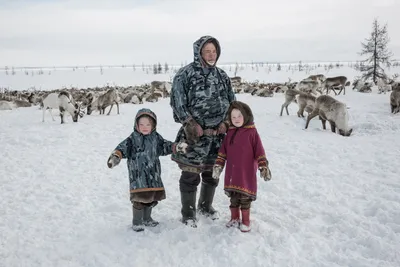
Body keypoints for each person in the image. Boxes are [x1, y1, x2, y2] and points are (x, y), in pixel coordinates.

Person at [170, 35, 236, 227]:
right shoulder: (185, 75)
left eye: (214, 51)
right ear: (199, 52)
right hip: (194, 136)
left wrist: (226, 122)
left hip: (217, 136)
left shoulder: (222, 76)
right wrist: (190, 123)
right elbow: (177, 103)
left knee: (212, 172)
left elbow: (232, 102)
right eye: (207, 51)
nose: (211, 54)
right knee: (190, 175)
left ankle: (205, 206)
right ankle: (188, 214)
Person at [107, 108, 188, 232]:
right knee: (139, 200)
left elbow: (165, 146)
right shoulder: (132, 139)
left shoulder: (156, 138)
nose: (145, 127)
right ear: (136, 125)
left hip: (153, 175)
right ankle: (137, 221)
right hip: (137, 176)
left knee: (151, 199)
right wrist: (115, 157)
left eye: (148, 124)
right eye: (141, 124)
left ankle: (147, 218)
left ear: (153, 125)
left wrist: (176, 147)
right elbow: (121, 149)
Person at [212, 101, 272, 232]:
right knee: (234, 198)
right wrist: (218, 165)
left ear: (246, 115)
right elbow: (223, 151)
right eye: (233, 117)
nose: (236, 119)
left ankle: (245, 221)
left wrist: (263, 166)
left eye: (239, 116)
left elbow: (259, 151)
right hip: (232, 172)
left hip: (246, 172)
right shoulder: (230, 133)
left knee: (245, 198)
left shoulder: (252, 132)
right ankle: (234, 219)